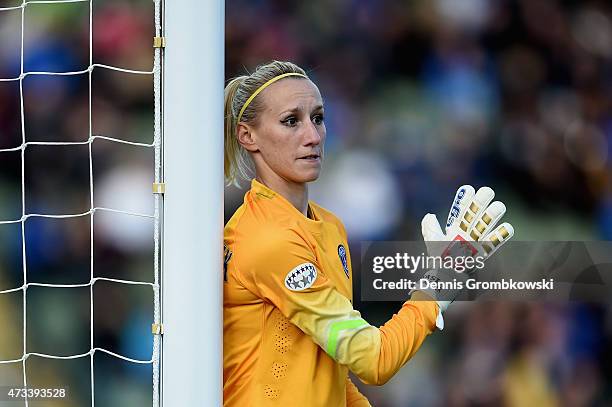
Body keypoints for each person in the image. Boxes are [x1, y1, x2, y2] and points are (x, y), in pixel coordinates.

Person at [222, 60, 513, 406]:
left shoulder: (328, 226)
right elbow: (373, 361)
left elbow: (329, 371)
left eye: (317, 118)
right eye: (290, 121)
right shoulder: (268, 240)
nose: (312, 136)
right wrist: (436, 288)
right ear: (247, 135)